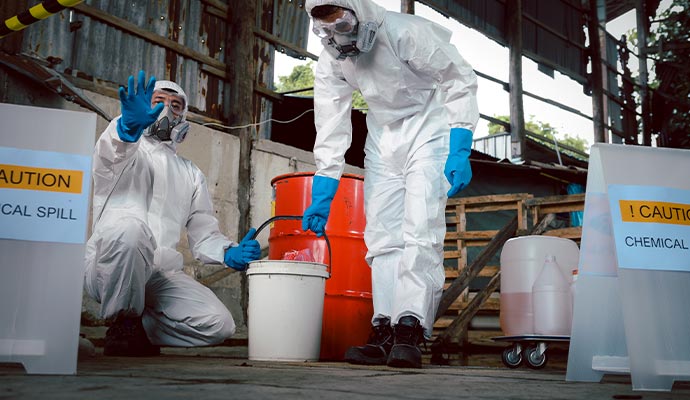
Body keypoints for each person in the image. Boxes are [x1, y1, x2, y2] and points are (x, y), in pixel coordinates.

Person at [302, 0, 479, 368]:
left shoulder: (404, 31)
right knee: (381, 234)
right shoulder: (331, 60)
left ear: (357, 10)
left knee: (420, 226)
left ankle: (411, 325)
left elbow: (457, 76)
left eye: (342, 23)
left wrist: (460, 142)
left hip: (428, 126)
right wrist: (325, 183)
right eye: (326, 29)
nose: (337, 36)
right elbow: (331, 121)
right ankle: (384, 326)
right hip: (382, 134)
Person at [84, 71, 261, 356]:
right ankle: (122, 321)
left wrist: (229, 251)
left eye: (175, 105)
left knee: (219, 324)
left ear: (184, 118)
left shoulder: (190, 173)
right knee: (132, 229)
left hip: (159, 273)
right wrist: (128, 126)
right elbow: (111, 151)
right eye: (158, 101)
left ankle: (139, 327)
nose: (166, 109)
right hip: (111, 265)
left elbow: (204, 234)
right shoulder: (125, 147)